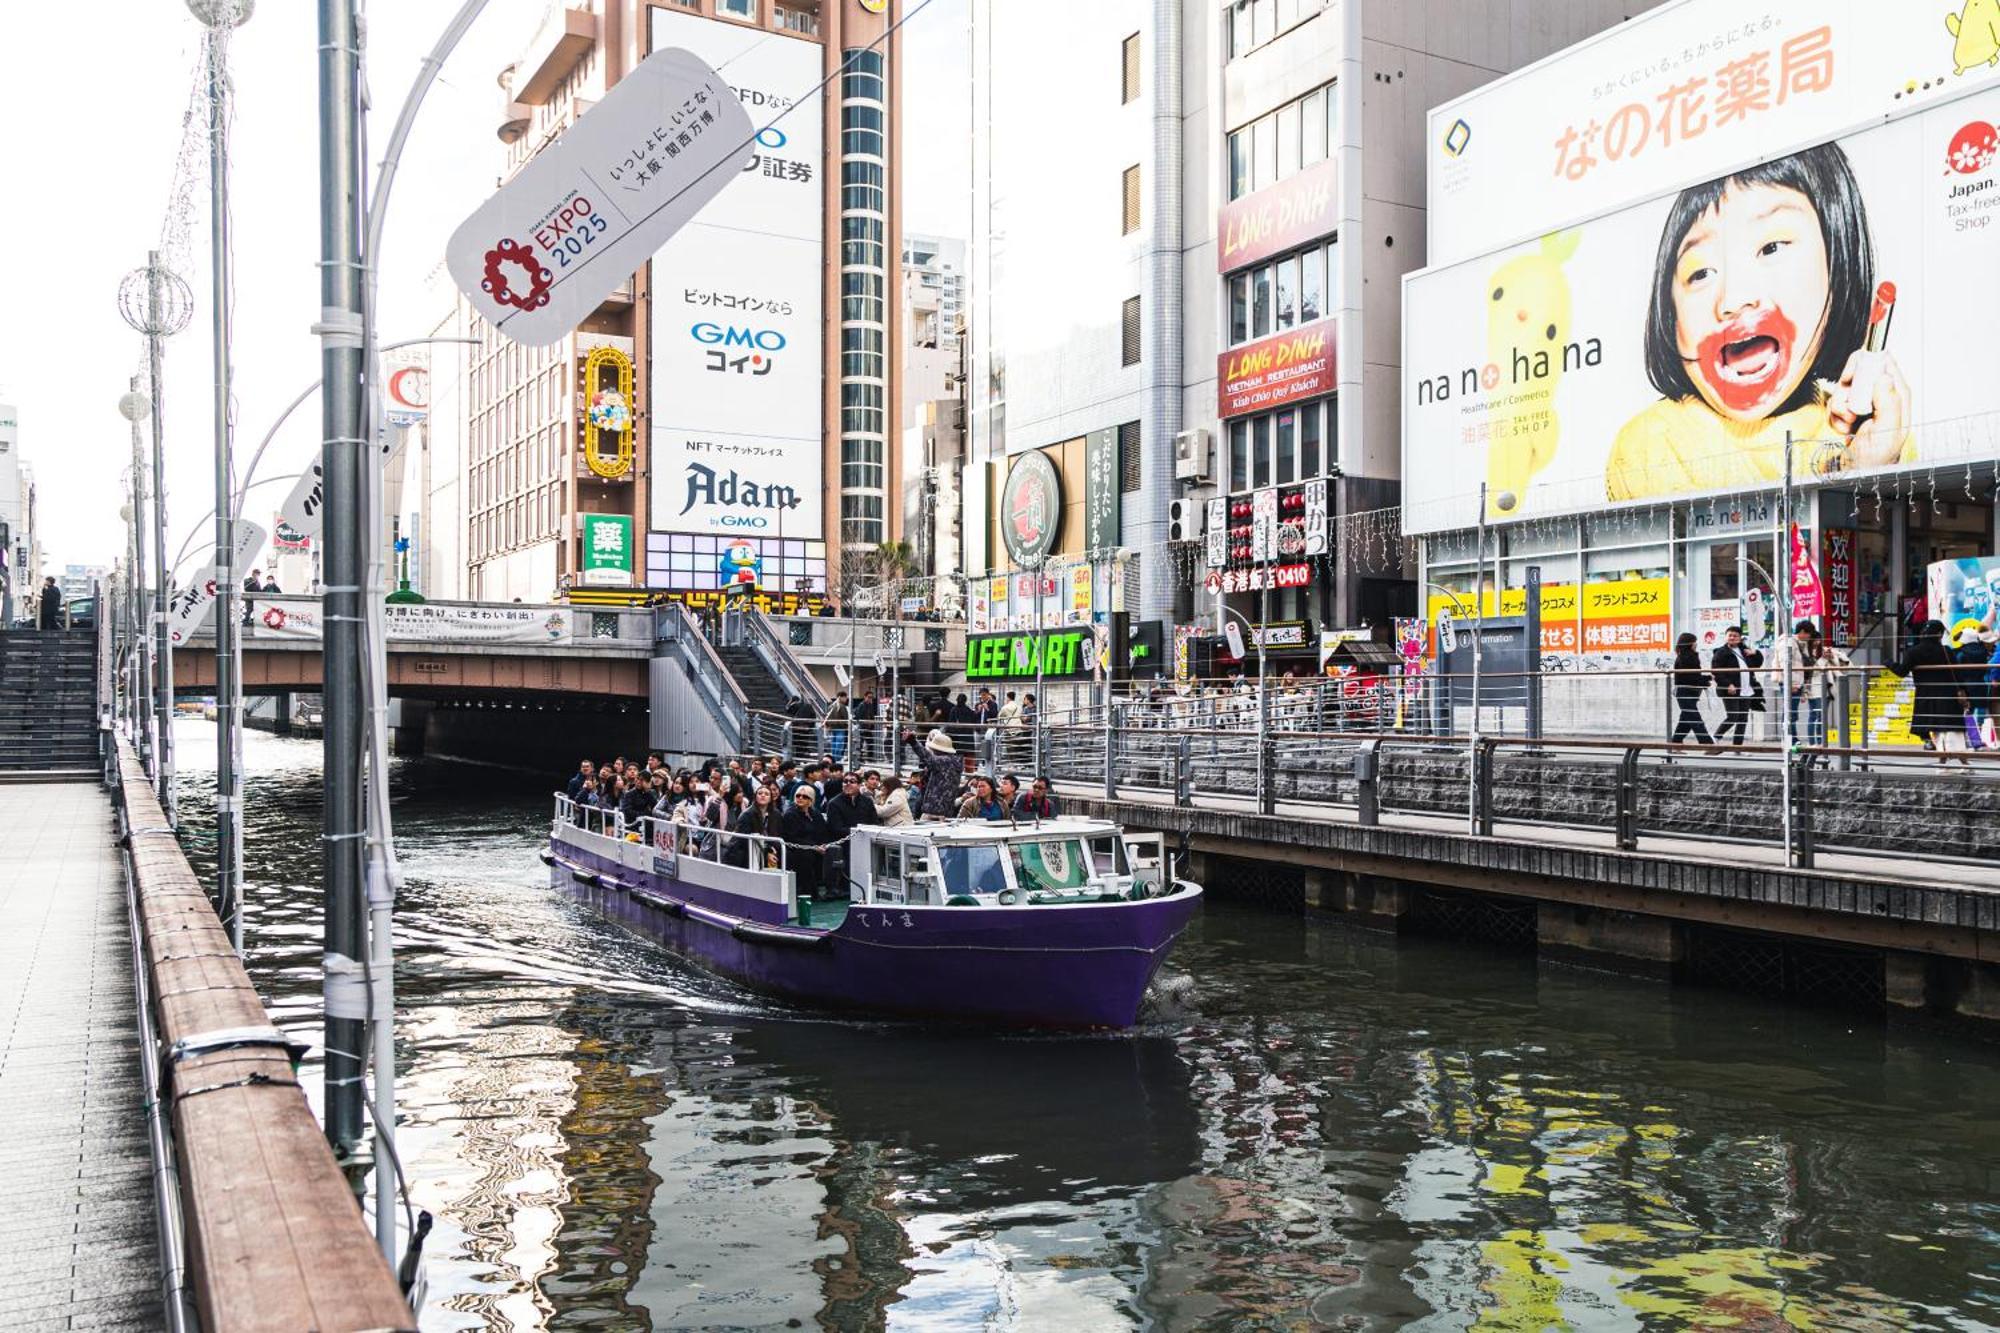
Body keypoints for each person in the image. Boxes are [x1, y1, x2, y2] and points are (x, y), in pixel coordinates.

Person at [1607, 143, 1910, 502]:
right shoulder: (1650, 444)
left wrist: (1863, 464)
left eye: (1772, 249)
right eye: (1701, 272)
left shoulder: (1872, 429)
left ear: (1838, 257)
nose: (1734, 300)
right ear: (1668, 312)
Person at [1890, 619, 1967, 761]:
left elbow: (1901, 672)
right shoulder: (1946, 651)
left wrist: (1888, 663)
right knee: (1952, 730)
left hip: (1925, 696)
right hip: (1947, 695)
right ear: (1939, 634)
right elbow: (1957, 674)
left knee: (1935, 729)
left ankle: (1941, 760)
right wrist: (1963, 692)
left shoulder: (1913, 652)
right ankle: (1962, 762)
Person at [1708, 625, 1762, 745]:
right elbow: (1716, 671)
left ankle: (1738, 746)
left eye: (1735, 636)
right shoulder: (1721, 652)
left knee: (1743, 719)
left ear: (1740, 638)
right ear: (1726, 637)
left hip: (1746, 689)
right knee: (1733, 716)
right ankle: (1715, 737)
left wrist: (1755, 653)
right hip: (1731, 689)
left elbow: (1757, 664)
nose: (1732, 638)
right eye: (1730, 635)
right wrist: (1728, 685)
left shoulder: (1744, 650)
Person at [901, 728, 964, 820]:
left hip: (934, 810)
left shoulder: (942, 761)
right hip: (947, 809)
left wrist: (913, 741)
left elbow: (926, 756)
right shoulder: (954, 762)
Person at [781, 785, 828, 899]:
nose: (800, 798)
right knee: (806, 856)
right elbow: (791, 837)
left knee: (833, 852)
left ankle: (831, 888)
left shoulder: (815, 814)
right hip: (796, 848)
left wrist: (823, 844)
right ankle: (807, 891)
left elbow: (822, 831)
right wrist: (813, 847)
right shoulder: (790, 814)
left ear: (811, 800)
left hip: (815, 846)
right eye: (798, 796)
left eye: (805, 796)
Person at [1669, 632, 1714, 745]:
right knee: (1695, 719)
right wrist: (1707, 679)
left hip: (1689, 691)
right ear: (1690, 643)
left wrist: (1705, 679)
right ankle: (1707, 745)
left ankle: (1676, 743)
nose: (1696, 644)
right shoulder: (1687, 657)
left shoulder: (1686, 656)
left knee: (1686, 719)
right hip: (1686, 691)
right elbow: (1692, 678)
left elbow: (1692, 677)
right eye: (1695, 642)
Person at [727, 783, 782, 868]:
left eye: (766, 794)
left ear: (771, 798)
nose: (763, 795)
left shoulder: (776, 814)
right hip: (745, 856)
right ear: (755, 796)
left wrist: (772, 850)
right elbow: (743, 841)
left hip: (766, 852)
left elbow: (777, 834)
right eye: (760, 793)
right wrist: (766, 854)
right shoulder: (746, 815)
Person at [826, 691, 850, 764]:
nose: (846, 699)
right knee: (840, 743)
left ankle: (834, 757)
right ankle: (838, 758)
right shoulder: (842, 706)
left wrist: (828, 725)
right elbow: (845, 718)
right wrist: (847, 726)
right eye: (845, 697)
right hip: (840, 727)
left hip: (833, 727)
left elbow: (827, 716)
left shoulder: (831, 706)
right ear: (841, 697)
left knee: (834, 742)